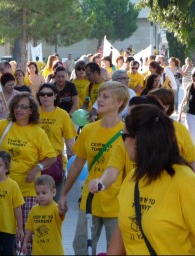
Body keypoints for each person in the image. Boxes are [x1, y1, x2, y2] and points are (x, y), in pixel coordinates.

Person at [0, 92, 56, 254]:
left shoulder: (37, 132)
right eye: (16, 106)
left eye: (24, 106)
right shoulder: (5, 125)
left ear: (32, 111)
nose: (19, 110)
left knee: (26, 238)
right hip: (2, 192)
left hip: (27, 191)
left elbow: (51, 157)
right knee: (4, 238)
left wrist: (37, 167)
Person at [112, 105, 195, 254]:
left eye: (123, 136)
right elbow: (120, 239)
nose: (122, 142)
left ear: (138, 140)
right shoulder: (132, 179)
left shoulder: (185, 181)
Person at [59, 82, 129, 255]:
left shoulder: (127, 133)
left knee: (117, 251)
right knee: (81, 247)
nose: (99, 100)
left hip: (117, 204)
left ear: (119, 102)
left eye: (105, 97)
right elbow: (77, 164)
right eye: (99, 96)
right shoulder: (89, 130)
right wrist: (64, 194)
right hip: (89, 201)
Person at [37, 84, 77, 201]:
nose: (45, 97)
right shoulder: (33, 114)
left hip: (55, 162)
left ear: (55, 96)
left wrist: (78, 161)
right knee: (36, 204)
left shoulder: (62, 115)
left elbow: (70, 143)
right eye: (42, 94)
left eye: (49, 94)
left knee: (54, 203)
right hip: (34, 162)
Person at [22, 175, 65, 255]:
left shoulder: (55, 208)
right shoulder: (33, 210)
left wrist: (63, 209)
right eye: (37, 193)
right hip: (37, 251)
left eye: (44, 193)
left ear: (54, 192)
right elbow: (29, 228)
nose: (40, 196)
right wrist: (25, 242)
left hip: (55, 252)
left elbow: (61, 214)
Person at [179, 66, 195, 154]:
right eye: (191, 75)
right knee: (191, 138)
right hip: (191, 116)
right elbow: (185, 100)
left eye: (194, 75)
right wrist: (180, 115)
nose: (192, 76)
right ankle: (192, 156)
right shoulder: (190, 86)